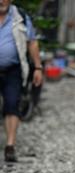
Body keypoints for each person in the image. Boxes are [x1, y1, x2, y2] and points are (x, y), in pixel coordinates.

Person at [0, 0, 43, 162]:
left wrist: (38, 68)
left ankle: (10, 145)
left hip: (14, 69)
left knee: (12, 103)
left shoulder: (21, 16)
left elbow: (32, 42)